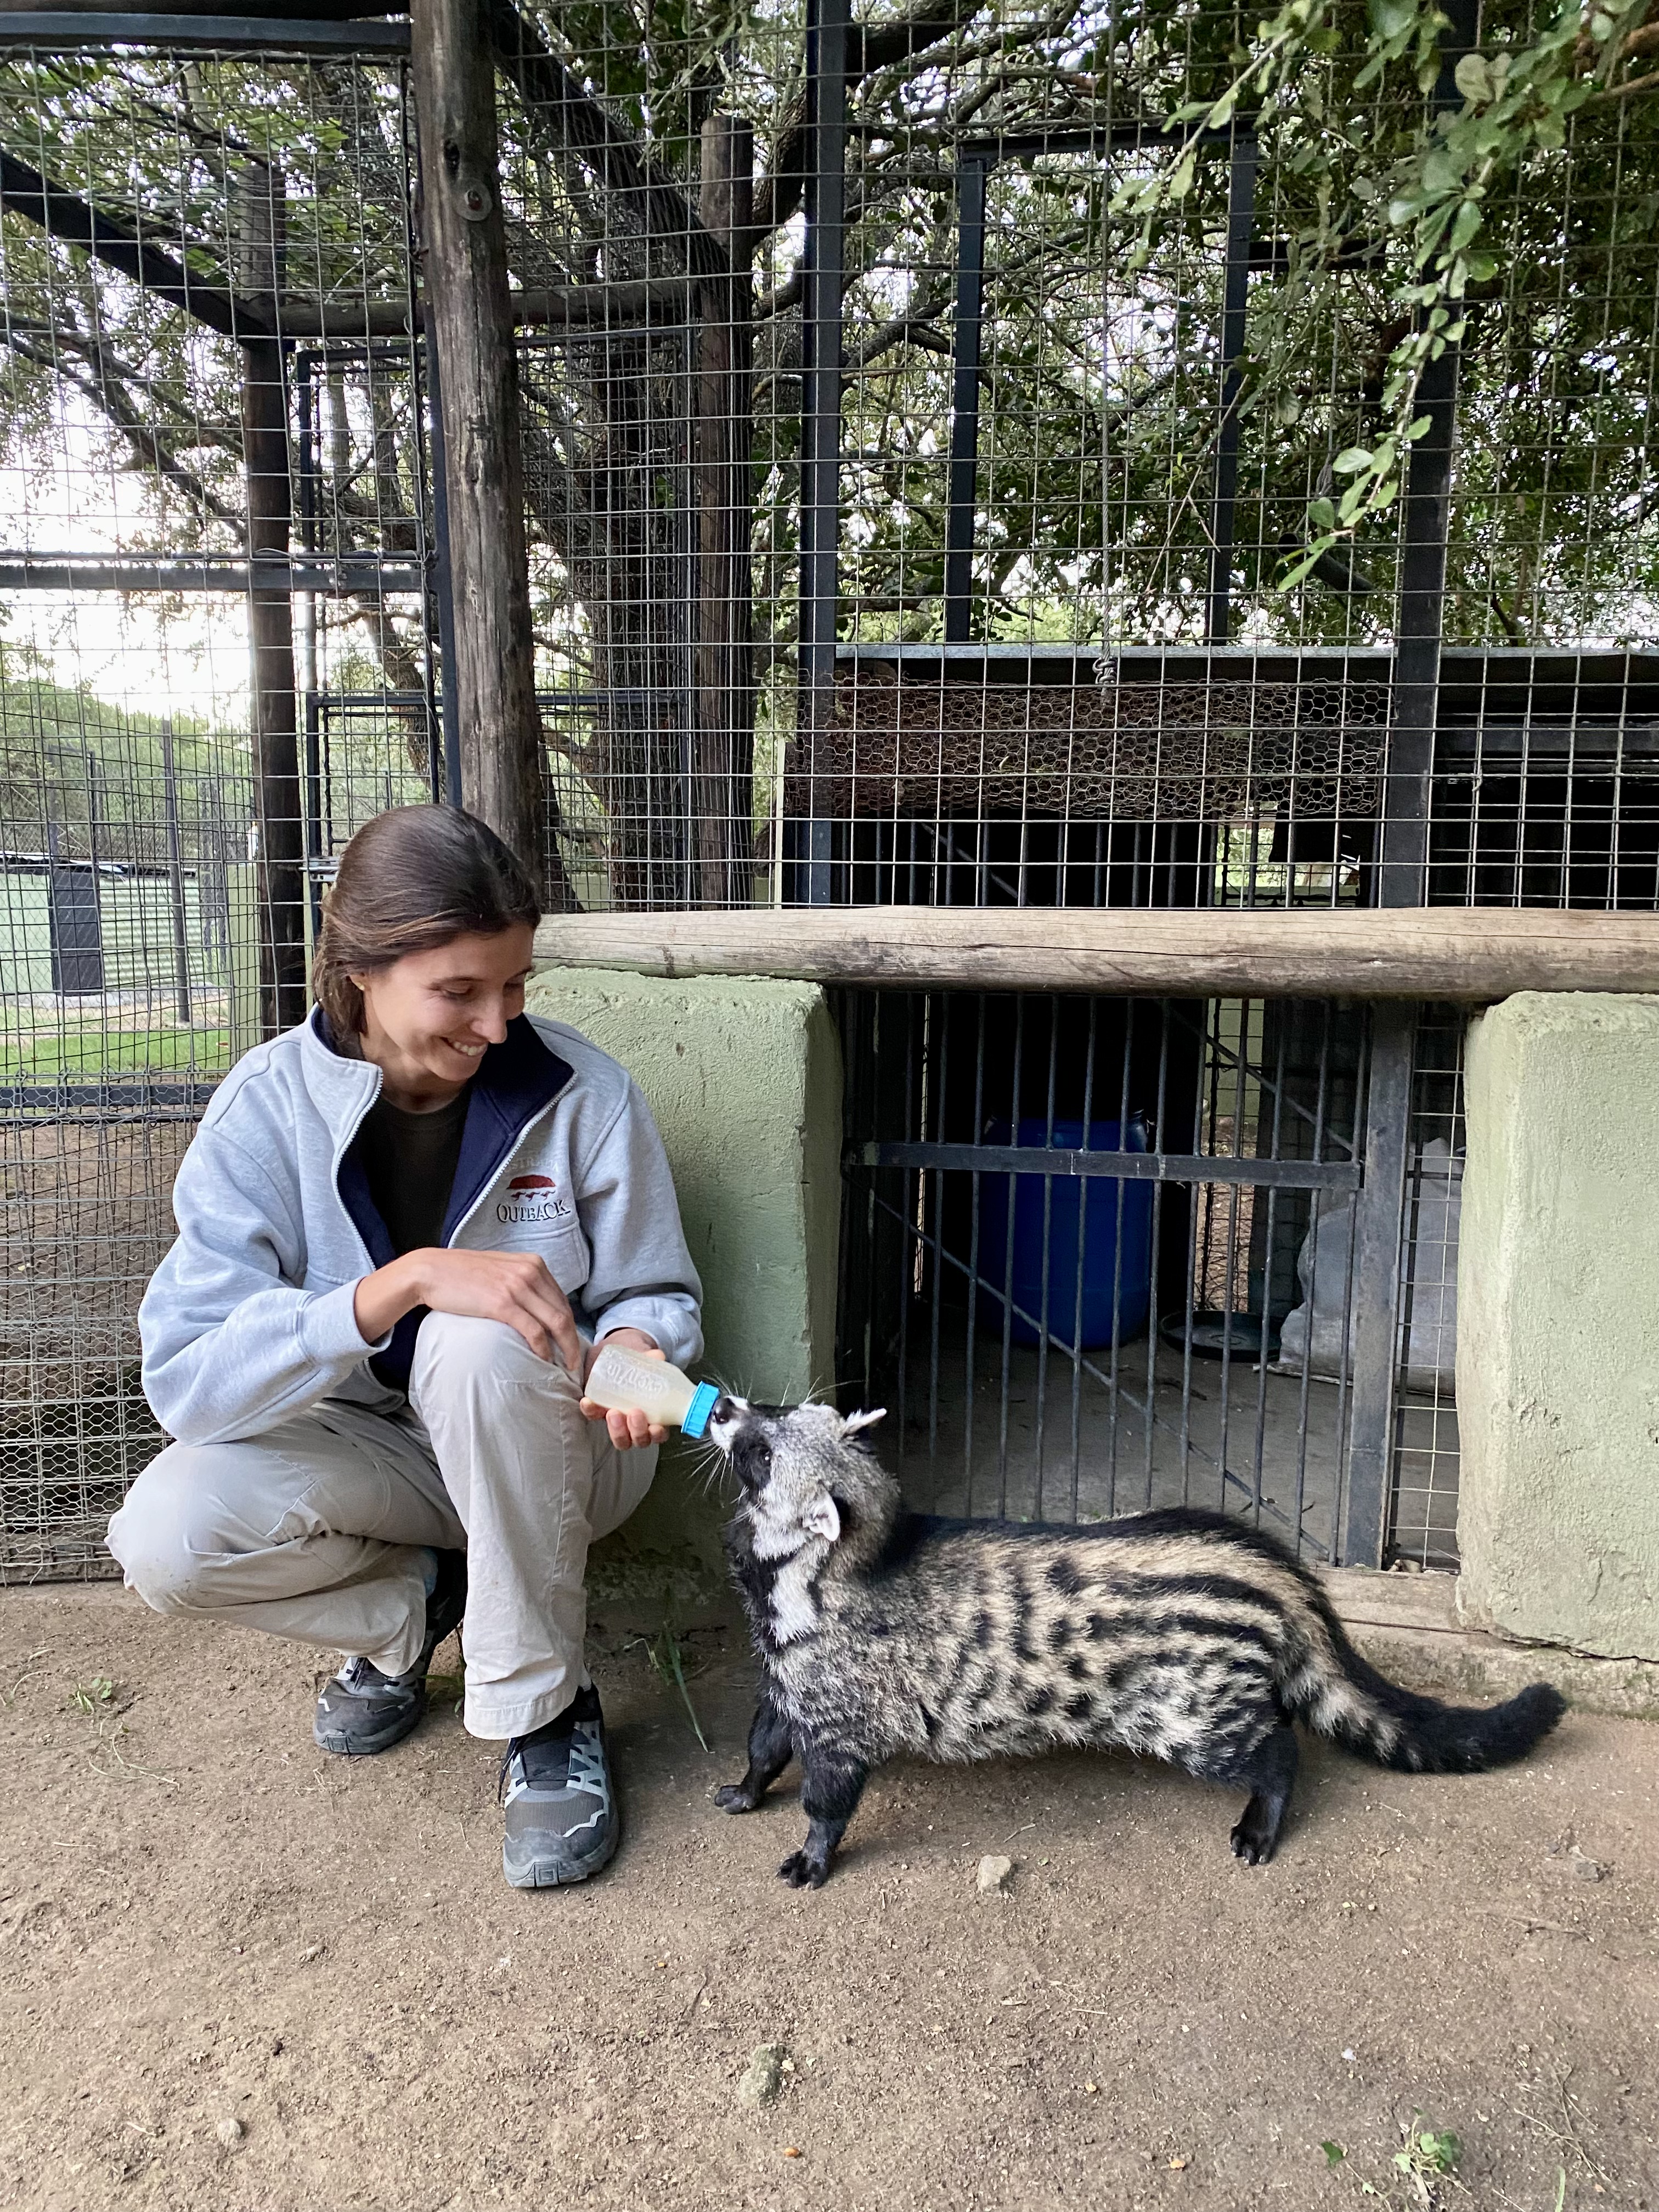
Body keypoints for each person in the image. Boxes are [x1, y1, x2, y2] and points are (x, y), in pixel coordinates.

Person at [107, 805, 702, 1891]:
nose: (496, 1025)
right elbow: (188, 1380)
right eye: (459, 992)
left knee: (478, 1346)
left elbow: (656, 1291)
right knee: (166, 1537)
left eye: (516, 986)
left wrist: (633, 1340)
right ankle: (414, 1607)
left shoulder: (585, 1095)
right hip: (377, 1458)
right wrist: (396, 1285)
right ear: (359, 971)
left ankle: (545, 1705)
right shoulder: (263, 1109)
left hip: (562, 1451)